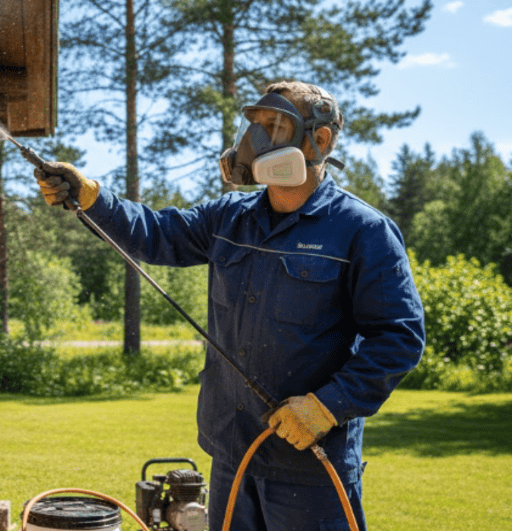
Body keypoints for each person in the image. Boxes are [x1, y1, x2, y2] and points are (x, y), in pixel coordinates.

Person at [34, 80, 425, 530]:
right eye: (254, 125)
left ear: (320, 140)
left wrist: (327, 406)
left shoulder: (363, 231)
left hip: (311, 467)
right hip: (231, 457)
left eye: (275, 126)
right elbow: (156, 233)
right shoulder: (228, 218)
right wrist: (93, 199)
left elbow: (399, 337)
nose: (254, 142)